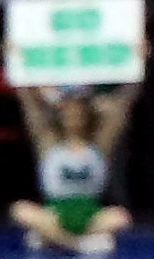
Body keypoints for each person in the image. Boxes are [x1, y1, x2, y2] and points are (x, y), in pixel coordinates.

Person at [8, 85, 130, 250]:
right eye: (69, 111)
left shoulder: (98, 146)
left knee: (121, 217)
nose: (74, 115)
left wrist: (136, 73)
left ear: (87, 114)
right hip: (55, 214)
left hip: (90, 214)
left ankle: (52, 237)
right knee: (19, 210)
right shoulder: (50, 144)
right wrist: (20, 71)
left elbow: (122, 108)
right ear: (60, 114)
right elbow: (31, 109)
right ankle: (75, 243)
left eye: (79, 111)